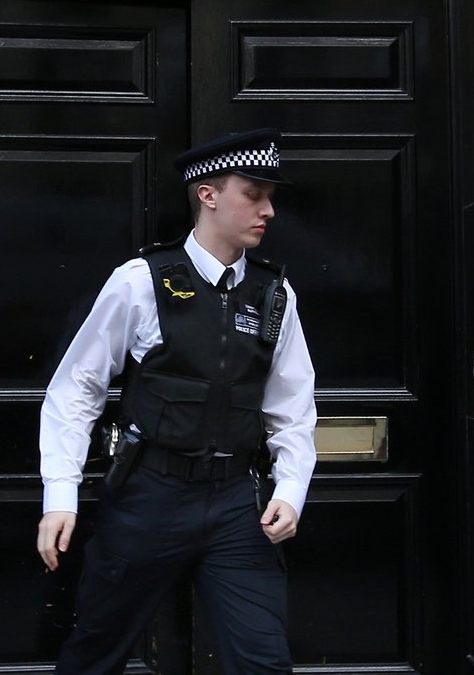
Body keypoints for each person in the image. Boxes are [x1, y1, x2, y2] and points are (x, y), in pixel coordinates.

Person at [36, 128, 318, 675]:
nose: (268, 209)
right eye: (254, 193)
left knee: (264, 661)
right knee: (94, 654)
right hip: (149, 499)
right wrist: (60, 494)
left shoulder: (274, 295)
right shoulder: (143, 281)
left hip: (239, 507)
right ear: (208, 194)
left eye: (271, 196)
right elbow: (78, 387)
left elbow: (292, 405)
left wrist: (291, 488)